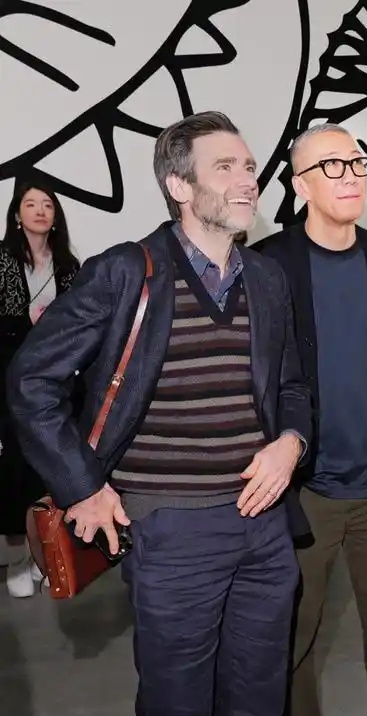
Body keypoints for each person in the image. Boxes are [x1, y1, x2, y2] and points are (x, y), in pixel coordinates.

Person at [6, 111, 313, 716]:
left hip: (266, 527)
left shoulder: (267, 278)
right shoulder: (126, 272)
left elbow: (293, 386)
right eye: (224, 167)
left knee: (261, 696)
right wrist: (82, 486)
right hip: (170, 529)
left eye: (249, 166)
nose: (247, 180)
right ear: (179, 186)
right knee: (179, 700)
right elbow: (30, 380)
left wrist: (292, 444)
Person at [256, 122, 367, 716]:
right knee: (293, 636)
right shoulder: (270, 264)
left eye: (357, 163)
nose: (351, 176)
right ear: (300, 185)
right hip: (303, 491)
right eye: (331, 165)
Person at [0, 179, 80, 598]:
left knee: (52, 465)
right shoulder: (2, 260)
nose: (39, 211)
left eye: (47, 205)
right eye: (31, 204)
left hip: (57, 381)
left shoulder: (68, 265)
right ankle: (20, 557)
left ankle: (47, 553)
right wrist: (27, 323)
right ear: (17, 214)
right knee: (16, 468)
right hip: (10, 378)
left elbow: (82, 324)